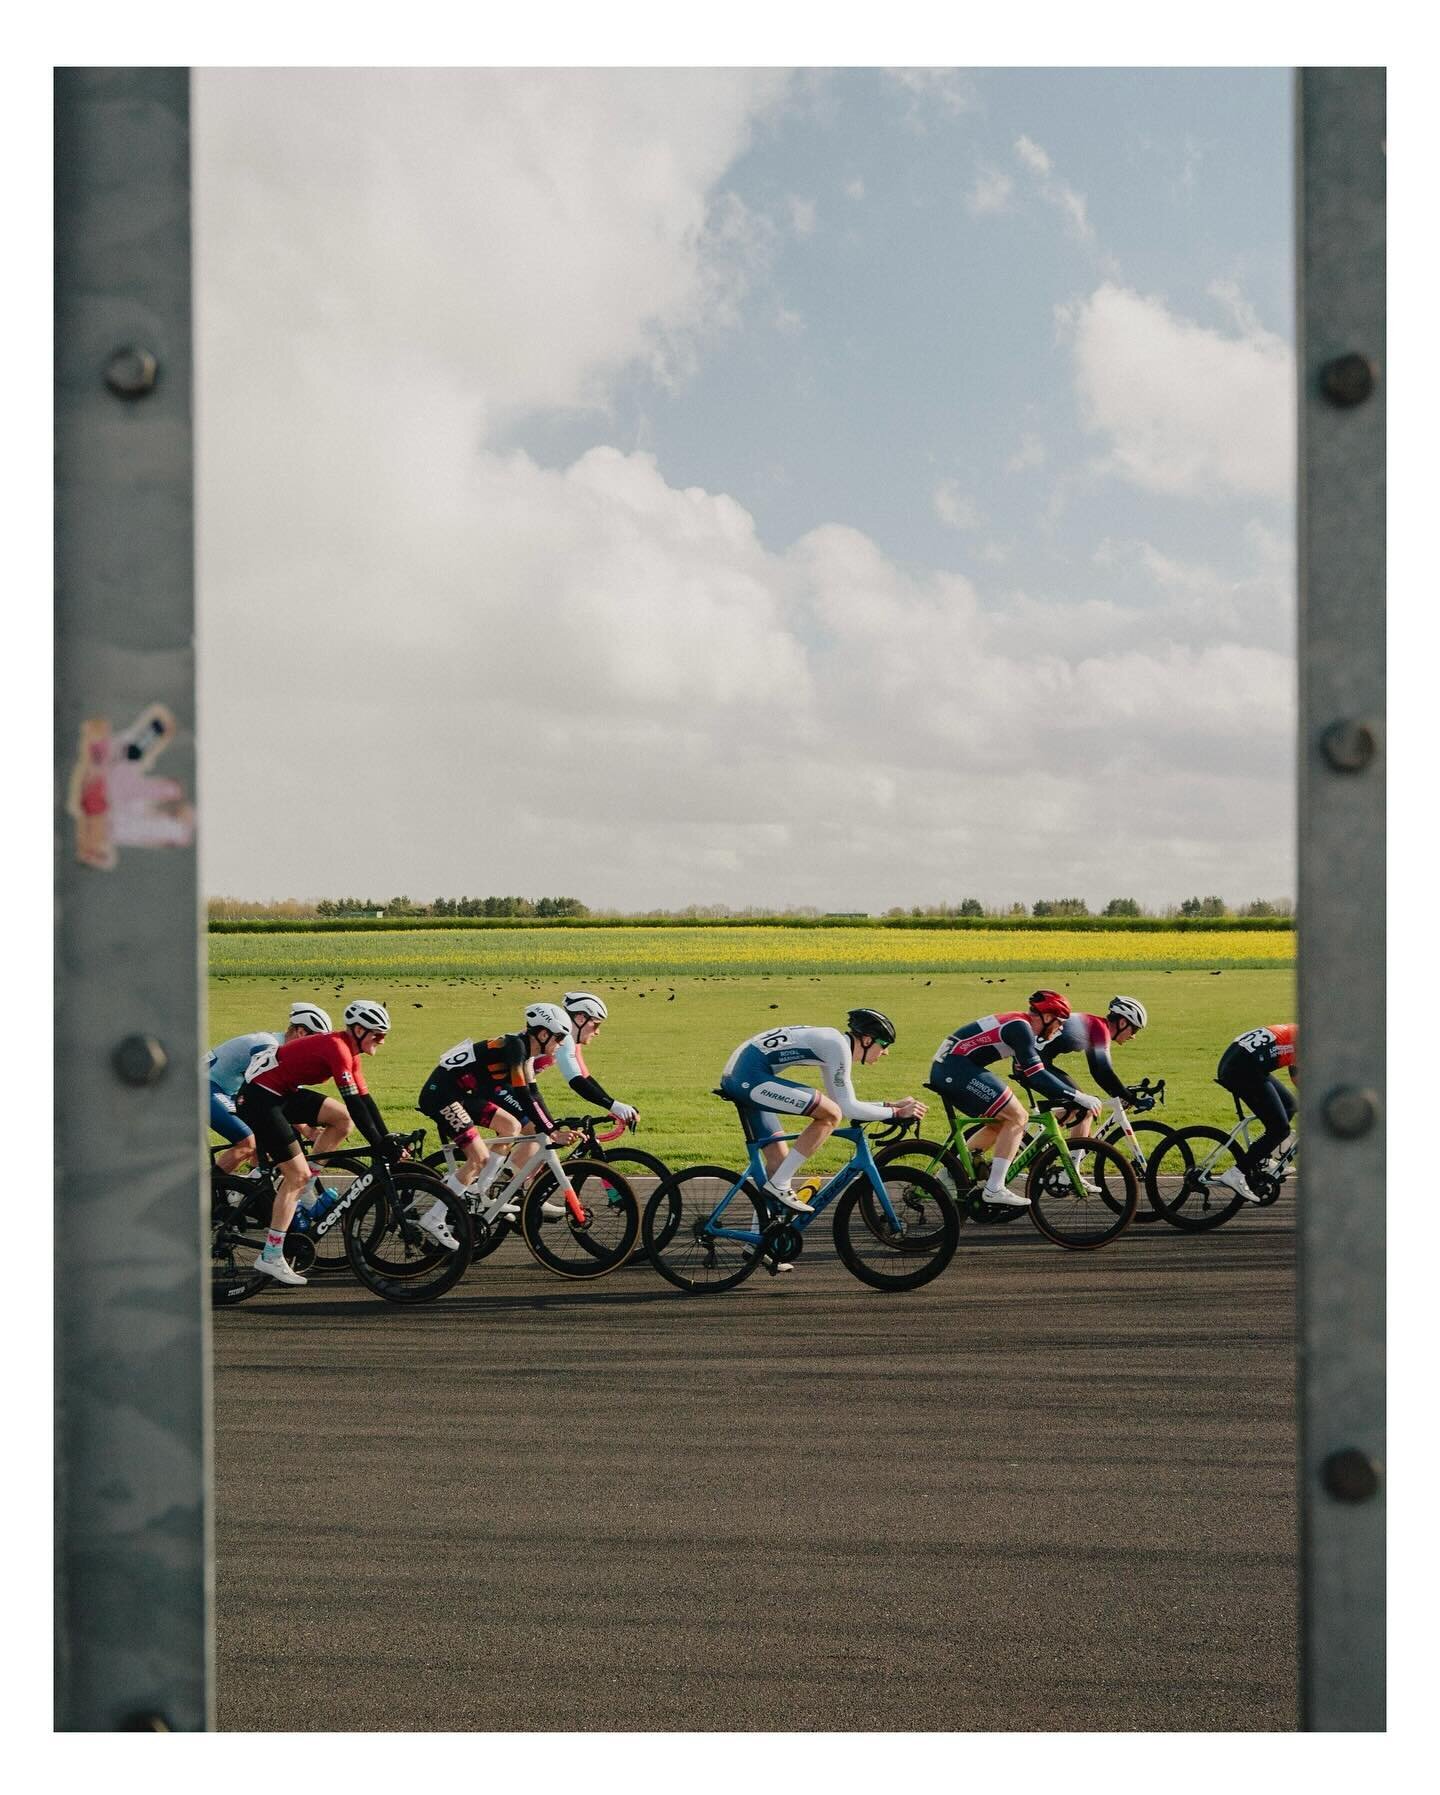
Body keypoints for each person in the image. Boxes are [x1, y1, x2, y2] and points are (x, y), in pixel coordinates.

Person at [237, 998, 424, 1285]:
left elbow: (365, 1101)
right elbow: (353, 1099)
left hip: (281, 1094)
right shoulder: (336, 1048)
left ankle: (307, 1186)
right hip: (260, 1099)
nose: (382, 1041)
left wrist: (385, 1138)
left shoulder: (352, 1054)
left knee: (342, 1120)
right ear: (359, 1029)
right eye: (379, 1034)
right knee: (294, 1175)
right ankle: (271, 1255)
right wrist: (377, 1143)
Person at [718, 1009, 925, 1212]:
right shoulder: (837, 1046)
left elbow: (844, 1102)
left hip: (743, 1075)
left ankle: (762, 1236)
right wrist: (896, 1114)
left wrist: (889, 1106)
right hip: (748, 1079)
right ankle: (779, 1185)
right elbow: (846, 1109)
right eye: (884, 1045)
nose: (886, 1052)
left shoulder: (832, 1044)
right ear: (867, 1040)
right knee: (830, 1116)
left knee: (780, 1161)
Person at [928, 990, 1098, 1207]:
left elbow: (1030, 1073)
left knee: (1002, 1119)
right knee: (1017, 1116)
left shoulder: (1020, 1026)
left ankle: (950, 1174)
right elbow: (1036, 1074)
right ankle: (994, 1188)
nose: (1060, 1028)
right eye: (1059, 1022)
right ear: (1047, 1018)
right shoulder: (1020, 1028)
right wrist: (1078, 1096)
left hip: (952, 1067)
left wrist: (1067, 1096)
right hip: (955, 1068)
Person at [417, 1002, 577, 1208]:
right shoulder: (516, 1048)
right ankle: (464, 1199)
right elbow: (523, 1094)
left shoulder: (526, 1052)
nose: (562, 1044)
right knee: (484, 1153)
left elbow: (534, 1095)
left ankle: (480, 1192)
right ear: (544, 1035)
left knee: (510, 1126)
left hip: (460, 1094)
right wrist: (553, 1132)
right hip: (441, 1095)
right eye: (560, 1037)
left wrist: (552, 1126)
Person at [206, 1003, 339, 1174]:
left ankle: (251, 1190)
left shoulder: (289, 1055)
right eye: (315, 1041)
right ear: (300, 1032)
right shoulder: (269, 1046)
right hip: (204, 1087)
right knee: (248, 1143)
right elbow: (269, 1095)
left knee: (270, 1134)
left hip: (228, 1092)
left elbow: (287, 1098)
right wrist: (306, 1129)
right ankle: (206, 1194)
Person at [1036, 995, 1148, 1138]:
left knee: (1079, 1108)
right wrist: (1131, 1098)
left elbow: (1097, 1071)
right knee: (1085, 1107)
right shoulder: (1099, 1030)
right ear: (1123, 1023)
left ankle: (1054, 1151)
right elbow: (1104, 1071)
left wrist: (1121, 1094)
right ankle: (1047, 1154)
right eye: (1134, 1030)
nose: (1133, 1036)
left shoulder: (1095, 1027)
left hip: (1037, 1063)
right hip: (1033, 1065)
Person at [1213, 1024, 1298, 1203]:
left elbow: (1296, 1074)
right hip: (1243, 1068)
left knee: (1290, 1106)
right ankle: (1237, 1173)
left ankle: (1263, 1160)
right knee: (1280, 1129)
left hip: (1244, 1063)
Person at [533, 993, 639, 1128]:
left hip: (514, 1085)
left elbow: (585, 1078)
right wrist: (614, 1106)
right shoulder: (563, 1038)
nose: (597, 1032)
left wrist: (614, 1104)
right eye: (596, 1024)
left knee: (541, 1130)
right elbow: (576, 1081)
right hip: (503, 1084)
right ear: (581, 1018)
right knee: (535, 1129)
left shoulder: (571, 1041)